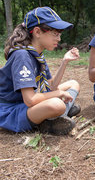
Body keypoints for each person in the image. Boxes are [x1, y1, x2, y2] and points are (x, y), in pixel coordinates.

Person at [0, 7, 81, 135]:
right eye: (55, 34)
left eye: (59, 34)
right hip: (11, 111)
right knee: (57, 104)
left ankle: (52, 118)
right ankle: (54, 116)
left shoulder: (37, 55)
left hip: (25, 105)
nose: (59, 39)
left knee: (73, 84)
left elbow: (51, 86)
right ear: (37, 32)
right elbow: (30, 100)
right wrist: (58, 94)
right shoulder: (22, 56)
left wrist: (64, 62)